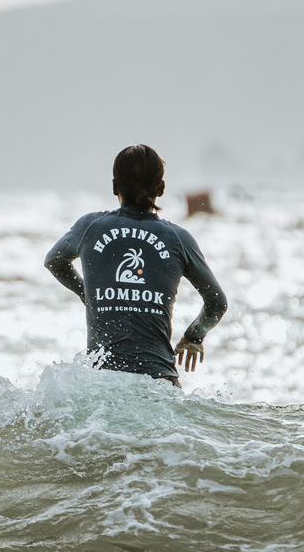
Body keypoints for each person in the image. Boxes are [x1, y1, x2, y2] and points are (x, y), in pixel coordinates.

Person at [44, 144, 227, 384]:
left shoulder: (90, 227)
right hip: (159, 380)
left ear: (114, 186)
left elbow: (54, 261)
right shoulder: (178, 239)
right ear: (161, 188)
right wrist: (194, 337)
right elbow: (217, 302)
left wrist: (85, 292)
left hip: (102, 380)